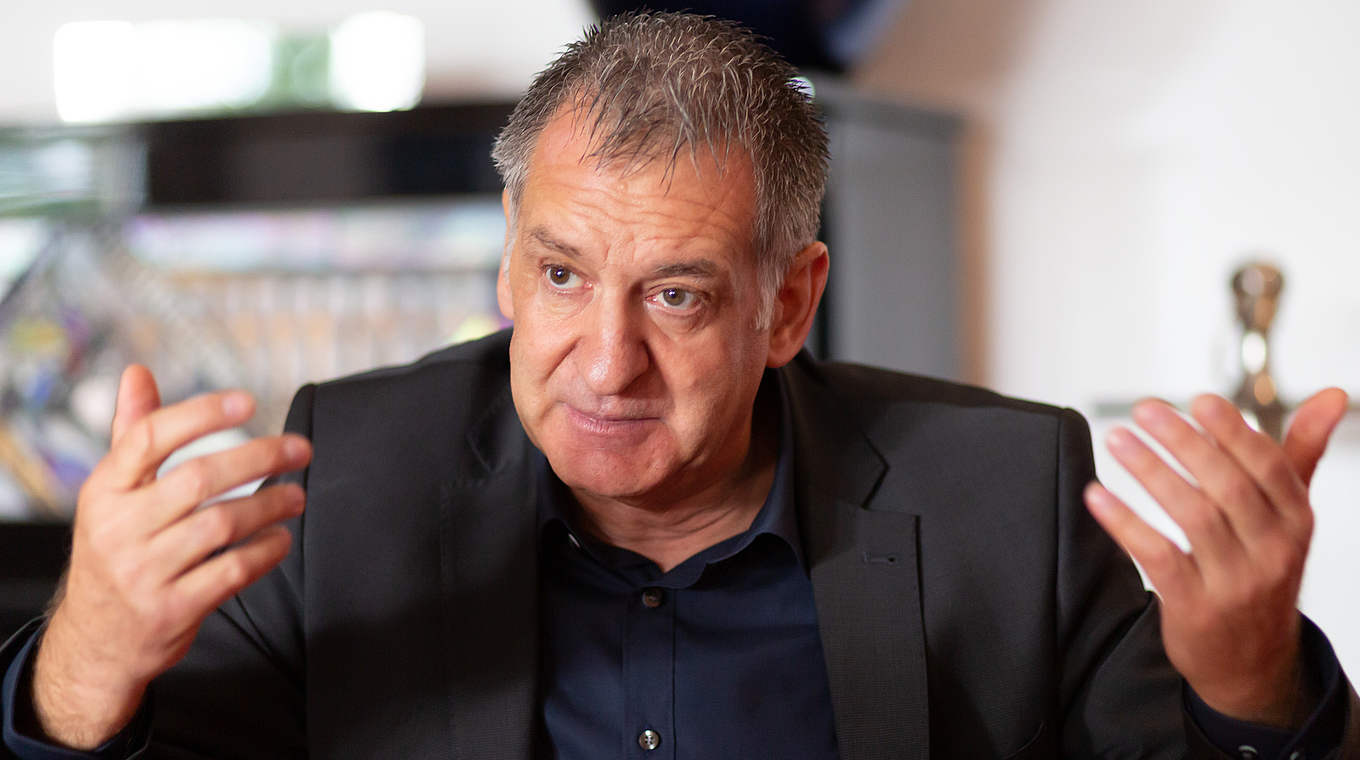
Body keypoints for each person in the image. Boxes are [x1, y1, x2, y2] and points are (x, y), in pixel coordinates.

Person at [3, 11, 1357, 759]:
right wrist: (87, 660)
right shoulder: (353, 477)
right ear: (507, 267)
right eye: (562, 276)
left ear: (789, 304)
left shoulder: (1005, 493)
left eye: (677, 295)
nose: (606, 364)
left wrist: (1248, 678)